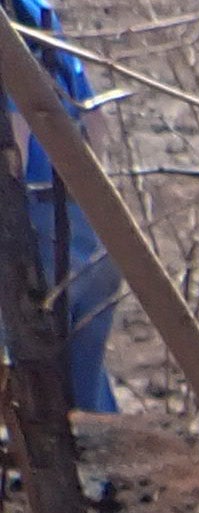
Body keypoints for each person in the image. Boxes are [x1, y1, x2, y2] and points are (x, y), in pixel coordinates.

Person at [3, 0, 117, 414]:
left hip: (38, 222)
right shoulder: (38, 12)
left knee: (40, 386)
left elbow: (17, 133)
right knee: (84, 386)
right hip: (89, 218)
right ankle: (108, 474)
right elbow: (95, 120)